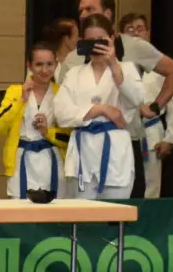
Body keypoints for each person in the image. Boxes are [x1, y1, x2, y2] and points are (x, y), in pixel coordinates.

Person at [52, 15, 145, 199]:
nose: (96, 46)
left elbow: (136, 99)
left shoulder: (126, 69)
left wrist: (113, 65)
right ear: (82, 42)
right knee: (82, 214)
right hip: (82, 151)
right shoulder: (74, 74)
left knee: (115, 212)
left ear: (112, 39)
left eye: (101, 40)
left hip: (115, 150)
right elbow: (61, 114)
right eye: (90, 41)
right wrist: (100, 109)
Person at [62, 0, 173, 120]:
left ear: (107, 13)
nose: (83, 15)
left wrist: (154, 107)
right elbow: (64, 103)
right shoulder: (72, 58)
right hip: (85, 134)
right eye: (81, 11)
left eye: (89, 9)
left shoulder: (135, 46)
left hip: (128, 134)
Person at [0, 42, 67, 199]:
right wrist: (21, 100)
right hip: (21, 161)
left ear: (56, 64)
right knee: (20, 215)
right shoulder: (15, 91)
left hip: (52, 161)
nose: (45, 70)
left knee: (54, 214)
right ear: (29, 65)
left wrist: (48, 132)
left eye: (49, 64)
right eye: (39, 64)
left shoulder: (62, 93)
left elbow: (71, 137)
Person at [125, 14, 173, 198]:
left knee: (151, 184)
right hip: (127, 130)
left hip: (151, 132)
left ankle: (149, 222)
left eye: (140, 28)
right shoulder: (122, 65)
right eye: (129, 29)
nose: (135, 32)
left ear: (148, 33)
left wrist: (171, 138)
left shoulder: (160, 66)